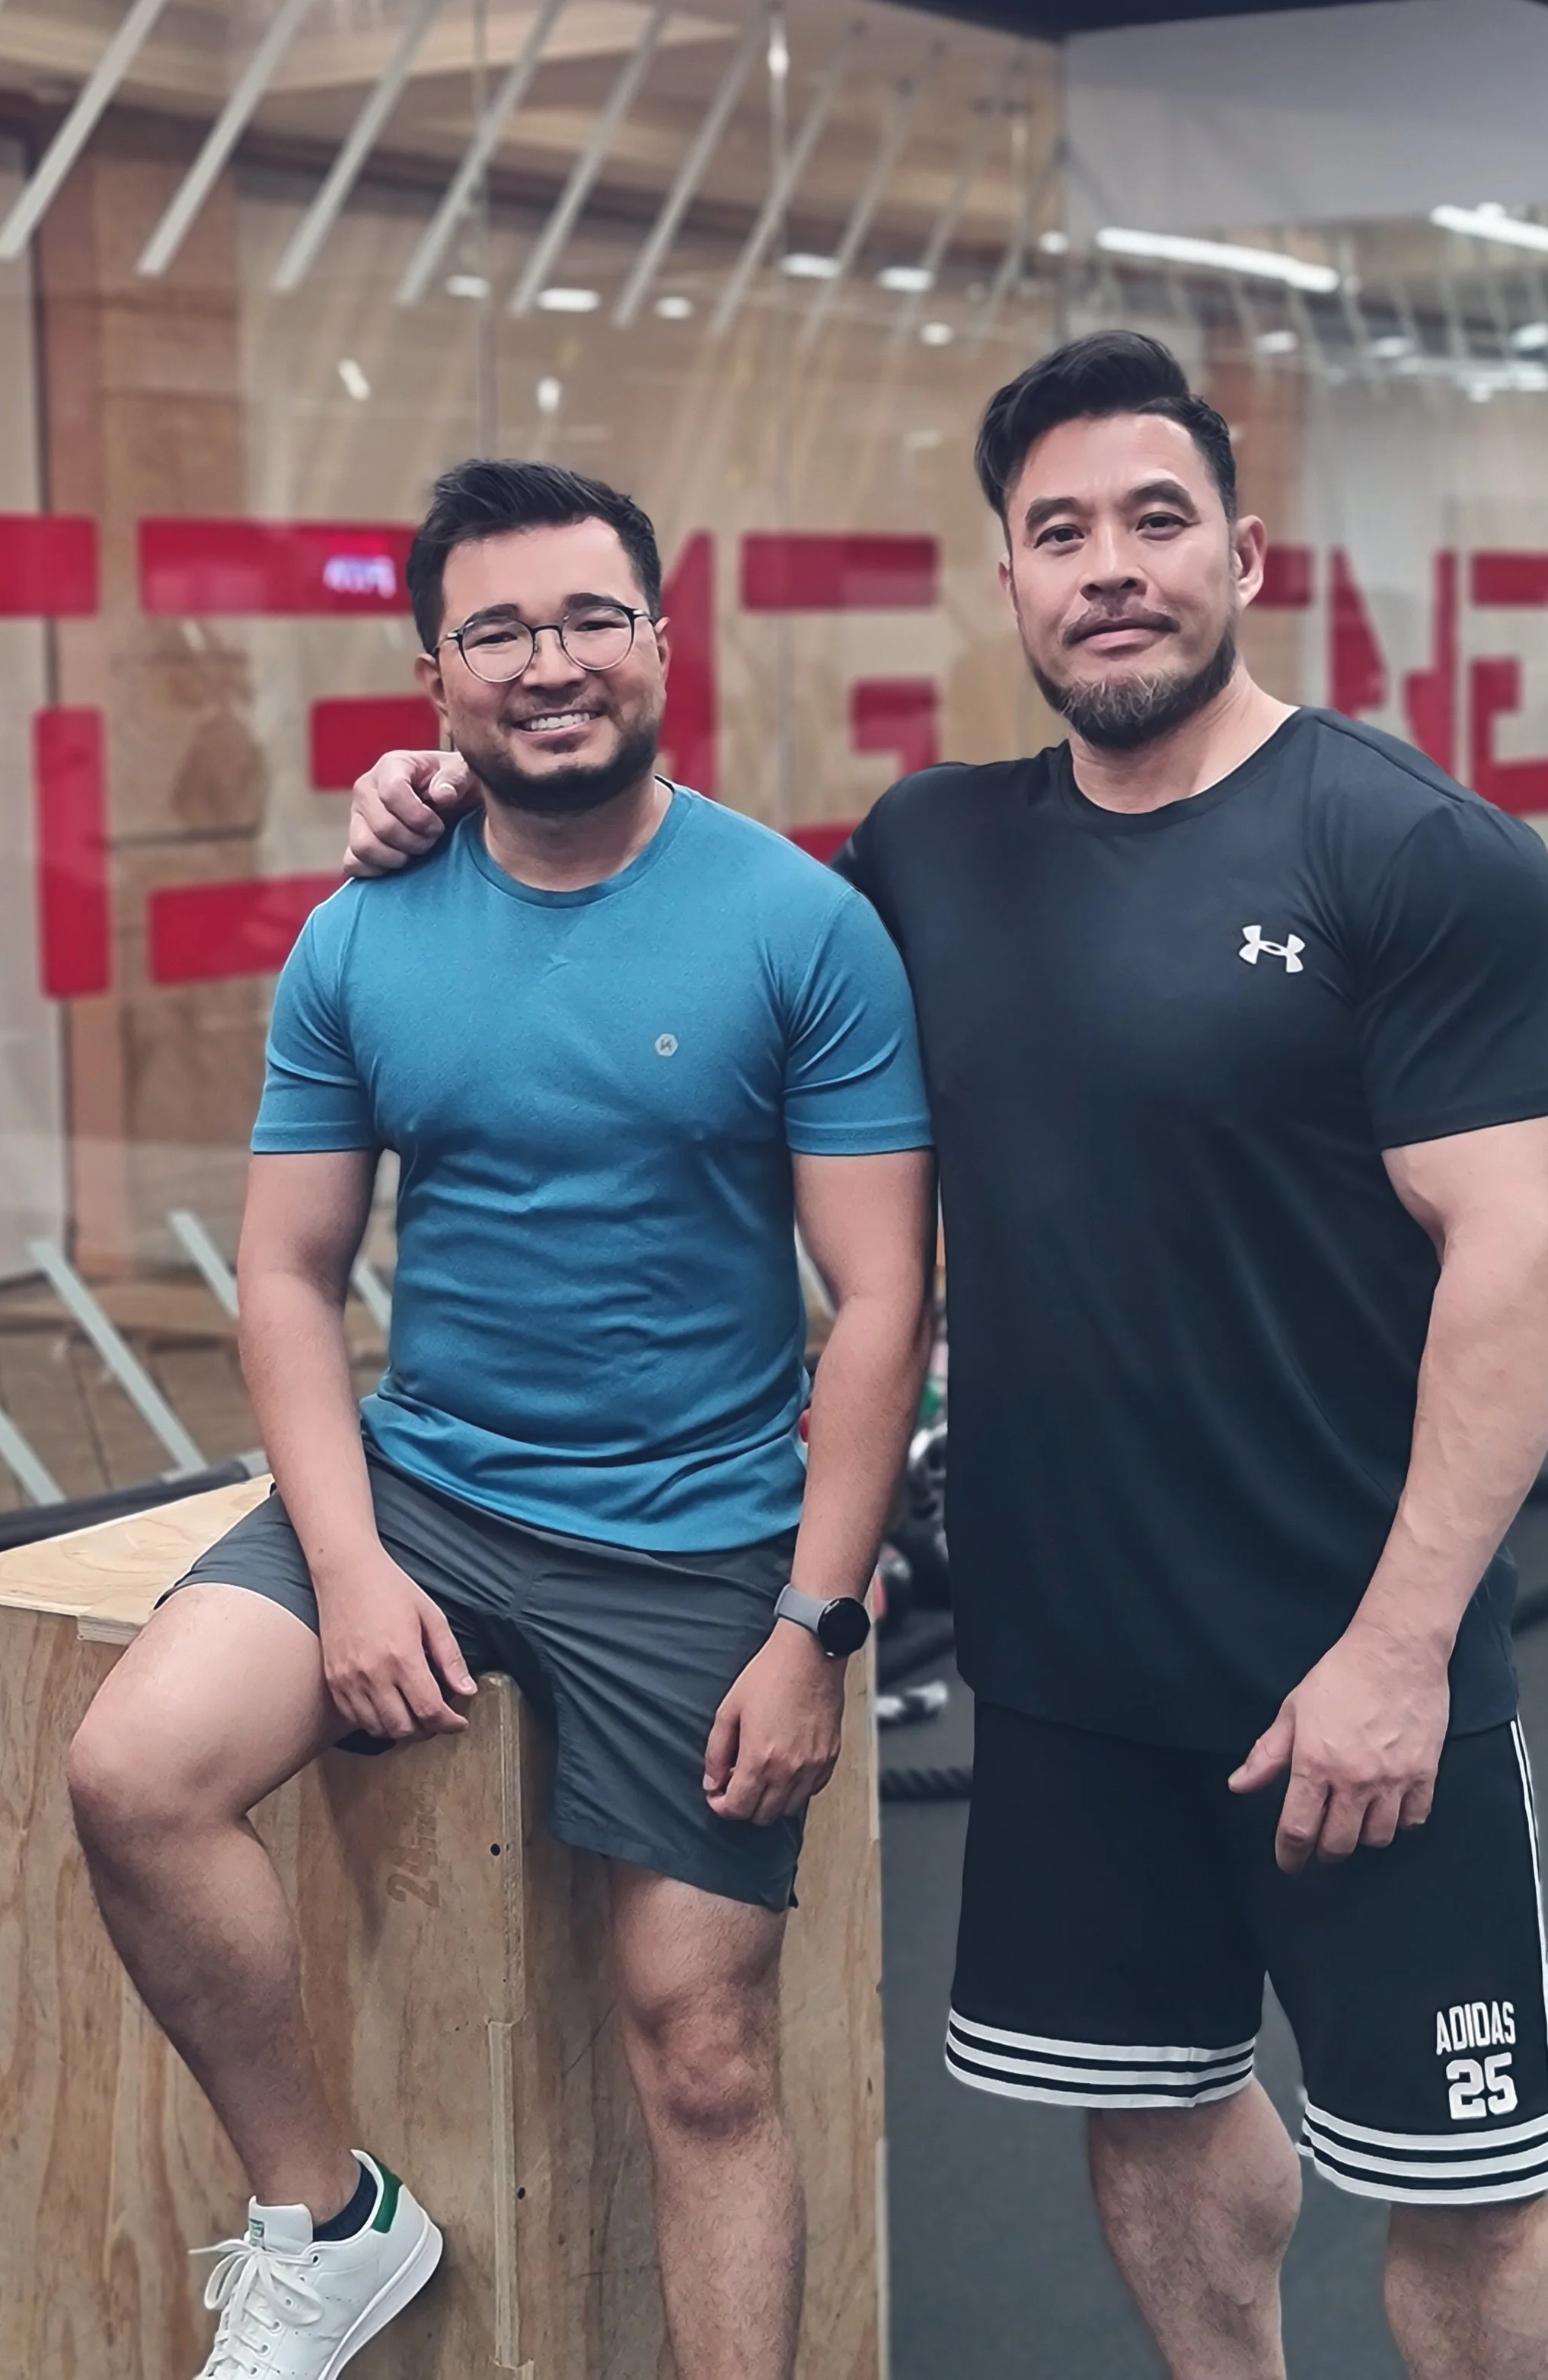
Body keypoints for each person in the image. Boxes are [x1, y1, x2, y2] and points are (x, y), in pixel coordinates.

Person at [345, 334, 1548, 2380]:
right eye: (1057, 532)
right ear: (1009, 581)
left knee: (1461, 2172)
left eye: (1153, 519)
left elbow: (1522, 1261)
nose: (1109, 566)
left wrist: (1399, 1646)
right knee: (1155, 2101)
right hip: (1071, 1656)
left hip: (1359, 1649)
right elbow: (670, 893)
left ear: (1243, 554)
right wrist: (442, 783)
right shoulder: (935, 849)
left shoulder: (1409, 852)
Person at [66, 458, 934, 2380]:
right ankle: (330, 2213)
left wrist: (815, 1624)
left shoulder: (800, 924)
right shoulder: (360, 935)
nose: (552, 664)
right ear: (432, 677)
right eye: (500, 631)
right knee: (134, 1770)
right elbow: (287, 1275)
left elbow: (882, 1300)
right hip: (433, 1483)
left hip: (699, 1526)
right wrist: (356, 1565)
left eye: (589, 618)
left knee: (698, 2044)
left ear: (656, 638)